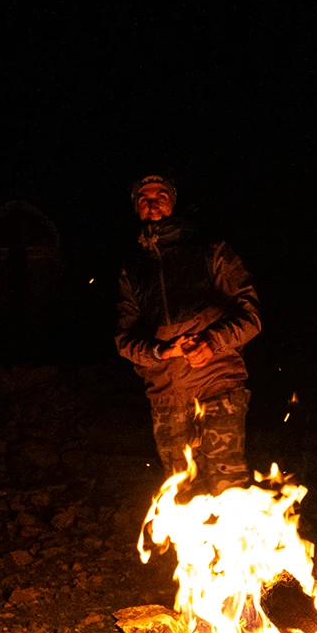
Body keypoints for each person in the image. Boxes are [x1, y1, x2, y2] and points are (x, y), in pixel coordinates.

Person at [115, 174, 261, 492]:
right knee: (180, 495)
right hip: (167, 396)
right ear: (136, 208)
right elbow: (123, 341)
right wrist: (162, 352)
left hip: (218, 386)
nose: (152, 203)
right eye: (143, 197)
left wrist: (212, 341)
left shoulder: (211, 251)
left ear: (173, 202)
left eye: (160, 195)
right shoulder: (133, 270)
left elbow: (251, 318)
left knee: (229, 489)